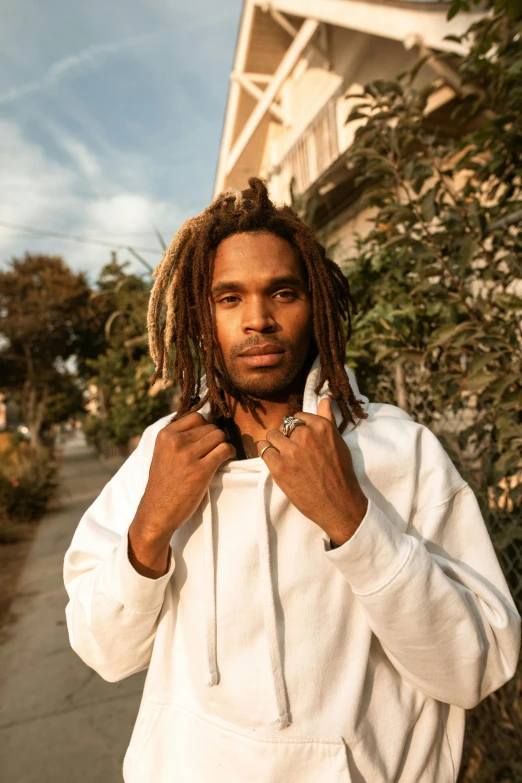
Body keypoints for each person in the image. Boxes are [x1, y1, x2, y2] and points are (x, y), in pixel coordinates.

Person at [64, 178, 520, 783]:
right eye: (229, 298)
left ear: (317, 306)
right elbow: (105, 653)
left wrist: (354, 522)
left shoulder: (398, 450)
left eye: (282, 292)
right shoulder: (162, 454)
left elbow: (472, 670)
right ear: (203, 317)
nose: (258, 320)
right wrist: (150, 527)